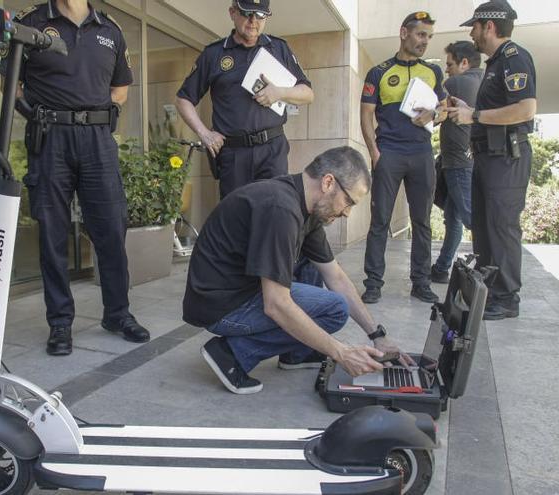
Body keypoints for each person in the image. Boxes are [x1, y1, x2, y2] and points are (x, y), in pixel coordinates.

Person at [183, 147, 413, 395]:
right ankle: (231, 354)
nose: (347, 213)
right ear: (328, 182)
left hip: (240, 291)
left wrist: (376, 334)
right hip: (220, 307)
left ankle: (297, 354)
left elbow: (335, 276)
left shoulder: (305, 207)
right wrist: (341, 352)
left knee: (328, 293)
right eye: (348, 201)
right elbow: (276, 304)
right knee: (332, 311)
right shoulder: (280, 209)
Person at [6, 0, 150, 356]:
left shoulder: (110, 30)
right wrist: (37, 115)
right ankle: (60, 324)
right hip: (50, 139)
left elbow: (121, 87)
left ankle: (117, 314)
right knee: (52, 233)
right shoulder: (31, 22)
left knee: (111, 230)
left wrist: (106, 112)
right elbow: (11, 85)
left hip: (98, 143)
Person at [446, 1, 537, 320]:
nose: (471, 32)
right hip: (487, 157)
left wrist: (475, 114)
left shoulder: (515, 58)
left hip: (506, 158)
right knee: (484, 228)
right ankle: (487, 292)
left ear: (490, 26)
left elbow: (525, 109)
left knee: (501, 227)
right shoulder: (495, 64)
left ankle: (506, 297)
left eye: (474, 26)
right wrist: (467, 109)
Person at [175, 0, 314, 199]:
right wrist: (204, 134)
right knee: (236, 218)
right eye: (247, 13)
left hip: (271, 150)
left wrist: (280, 93)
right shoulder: (214, 54)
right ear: (232, 13)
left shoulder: (279, 48)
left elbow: (307, 93)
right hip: (233, 154)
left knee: (273, 212)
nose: (253, 21)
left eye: (260, 15)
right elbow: (183, 99)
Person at [360, 11, 447, 305]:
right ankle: (373, 283)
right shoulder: (379, 72)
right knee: (380, 220)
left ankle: (421, 283)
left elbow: (446, 109)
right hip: (390, 153)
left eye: (429, 37)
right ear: (404, 33)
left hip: (422, 153)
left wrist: (434, 114)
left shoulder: (433, 73)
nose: (425, 42)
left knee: (422, 221)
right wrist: (374, 152)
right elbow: (366, 114)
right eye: (421, 35)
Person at [430, 41, 482, 283]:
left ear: (464, 62)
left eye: (450, 64)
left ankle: (489, 267)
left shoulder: (457, 83)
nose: (447, 70)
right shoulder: (482, 81)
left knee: (470, 217)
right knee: (453, 219)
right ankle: (441, 269)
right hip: (466, 160)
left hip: (458, 163)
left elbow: (434, 112)